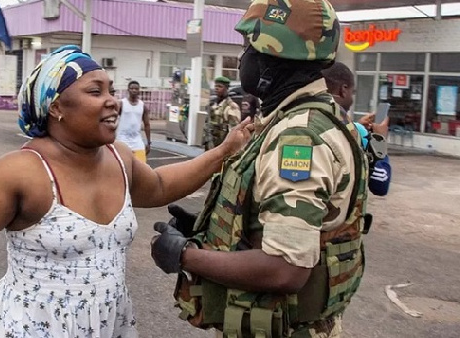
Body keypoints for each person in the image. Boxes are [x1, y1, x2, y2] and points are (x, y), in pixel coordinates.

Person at [0, 45, 253, 338]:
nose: (112, 100)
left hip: (108, 325)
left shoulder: (119, 157)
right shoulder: (22, 170)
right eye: (95, 91)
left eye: (110, 90)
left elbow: (159, 186)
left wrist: (222, 152)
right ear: (56, 107)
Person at [150, 1, 370, 337]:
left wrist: (184, 255)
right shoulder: (310, 118)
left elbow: (285, 267)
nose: (243, 60)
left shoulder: (298, 138)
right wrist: (214, 233)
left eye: (248, 49)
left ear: (273, 61)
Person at [322, 61, 392, 196]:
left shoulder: (305, 118)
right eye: (352, 93)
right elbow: (380, 184)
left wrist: (355, 126)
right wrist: (380, 140)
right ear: (343, 90)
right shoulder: (356, 133)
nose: (352, 99)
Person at [116, 80, 151, 162]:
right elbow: (112, 120)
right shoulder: (121, 104)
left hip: (137, 141)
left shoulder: (143, 106)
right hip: (122, 140)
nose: (134, 90)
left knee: (142, 165)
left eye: (136, 89)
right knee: (124, 165)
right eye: (132, 88)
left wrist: (148, 142)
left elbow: (147, 125)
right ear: (128, 90)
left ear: (139, 90)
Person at [203, 76, 241, 150]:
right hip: (210, 144)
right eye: (215, 86)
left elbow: (234, 130)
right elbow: (207, 124)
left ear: (226, 89)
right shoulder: (212, 104)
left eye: (220, 86)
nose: (216, 88)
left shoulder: (231, 106)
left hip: (222, 147)